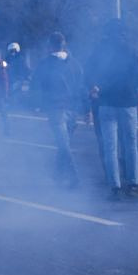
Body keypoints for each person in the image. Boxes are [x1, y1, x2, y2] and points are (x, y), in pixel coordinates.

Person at [85, 21, 138, 199]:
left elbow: (88, 71)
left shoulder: (100, 50)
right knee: (130, 145)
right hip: (128, 101)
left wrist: (94, 87)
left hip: (106, 101)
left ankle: (114, 187)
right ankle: (133, 184)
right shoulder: (131, 50)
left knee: (110, 146)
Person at [33, 32, 87, 188]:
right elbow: (81, 87)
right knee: (65, 143)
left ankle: (74, 177)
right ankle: (58, 175)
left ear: (50, 46)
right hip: (73, 109)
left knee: (64, 146)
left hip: (55, 109)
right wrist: (87, 109)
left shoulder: (45, 64)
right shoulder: (75, 64)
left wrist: (37, 104)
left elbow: (36, 86)